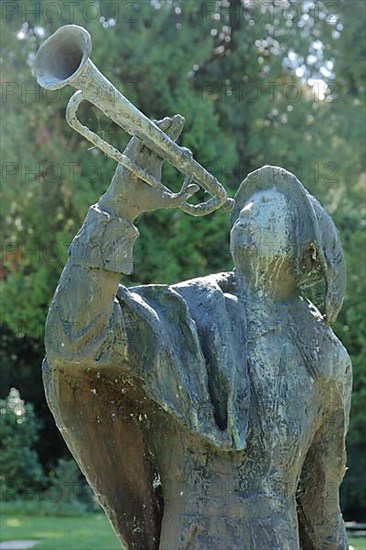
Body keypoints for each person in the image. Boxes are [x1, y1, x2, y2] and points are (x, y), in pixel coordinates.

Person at [43, 115, 352, 550]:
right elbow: (71, 339)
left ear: (306, 250)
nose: (247, 212)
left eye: (268, 209)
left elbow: (321, 503)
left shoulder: (326, 356)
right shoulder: (181, 313)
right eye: (249, 204)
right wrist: (118, 208)